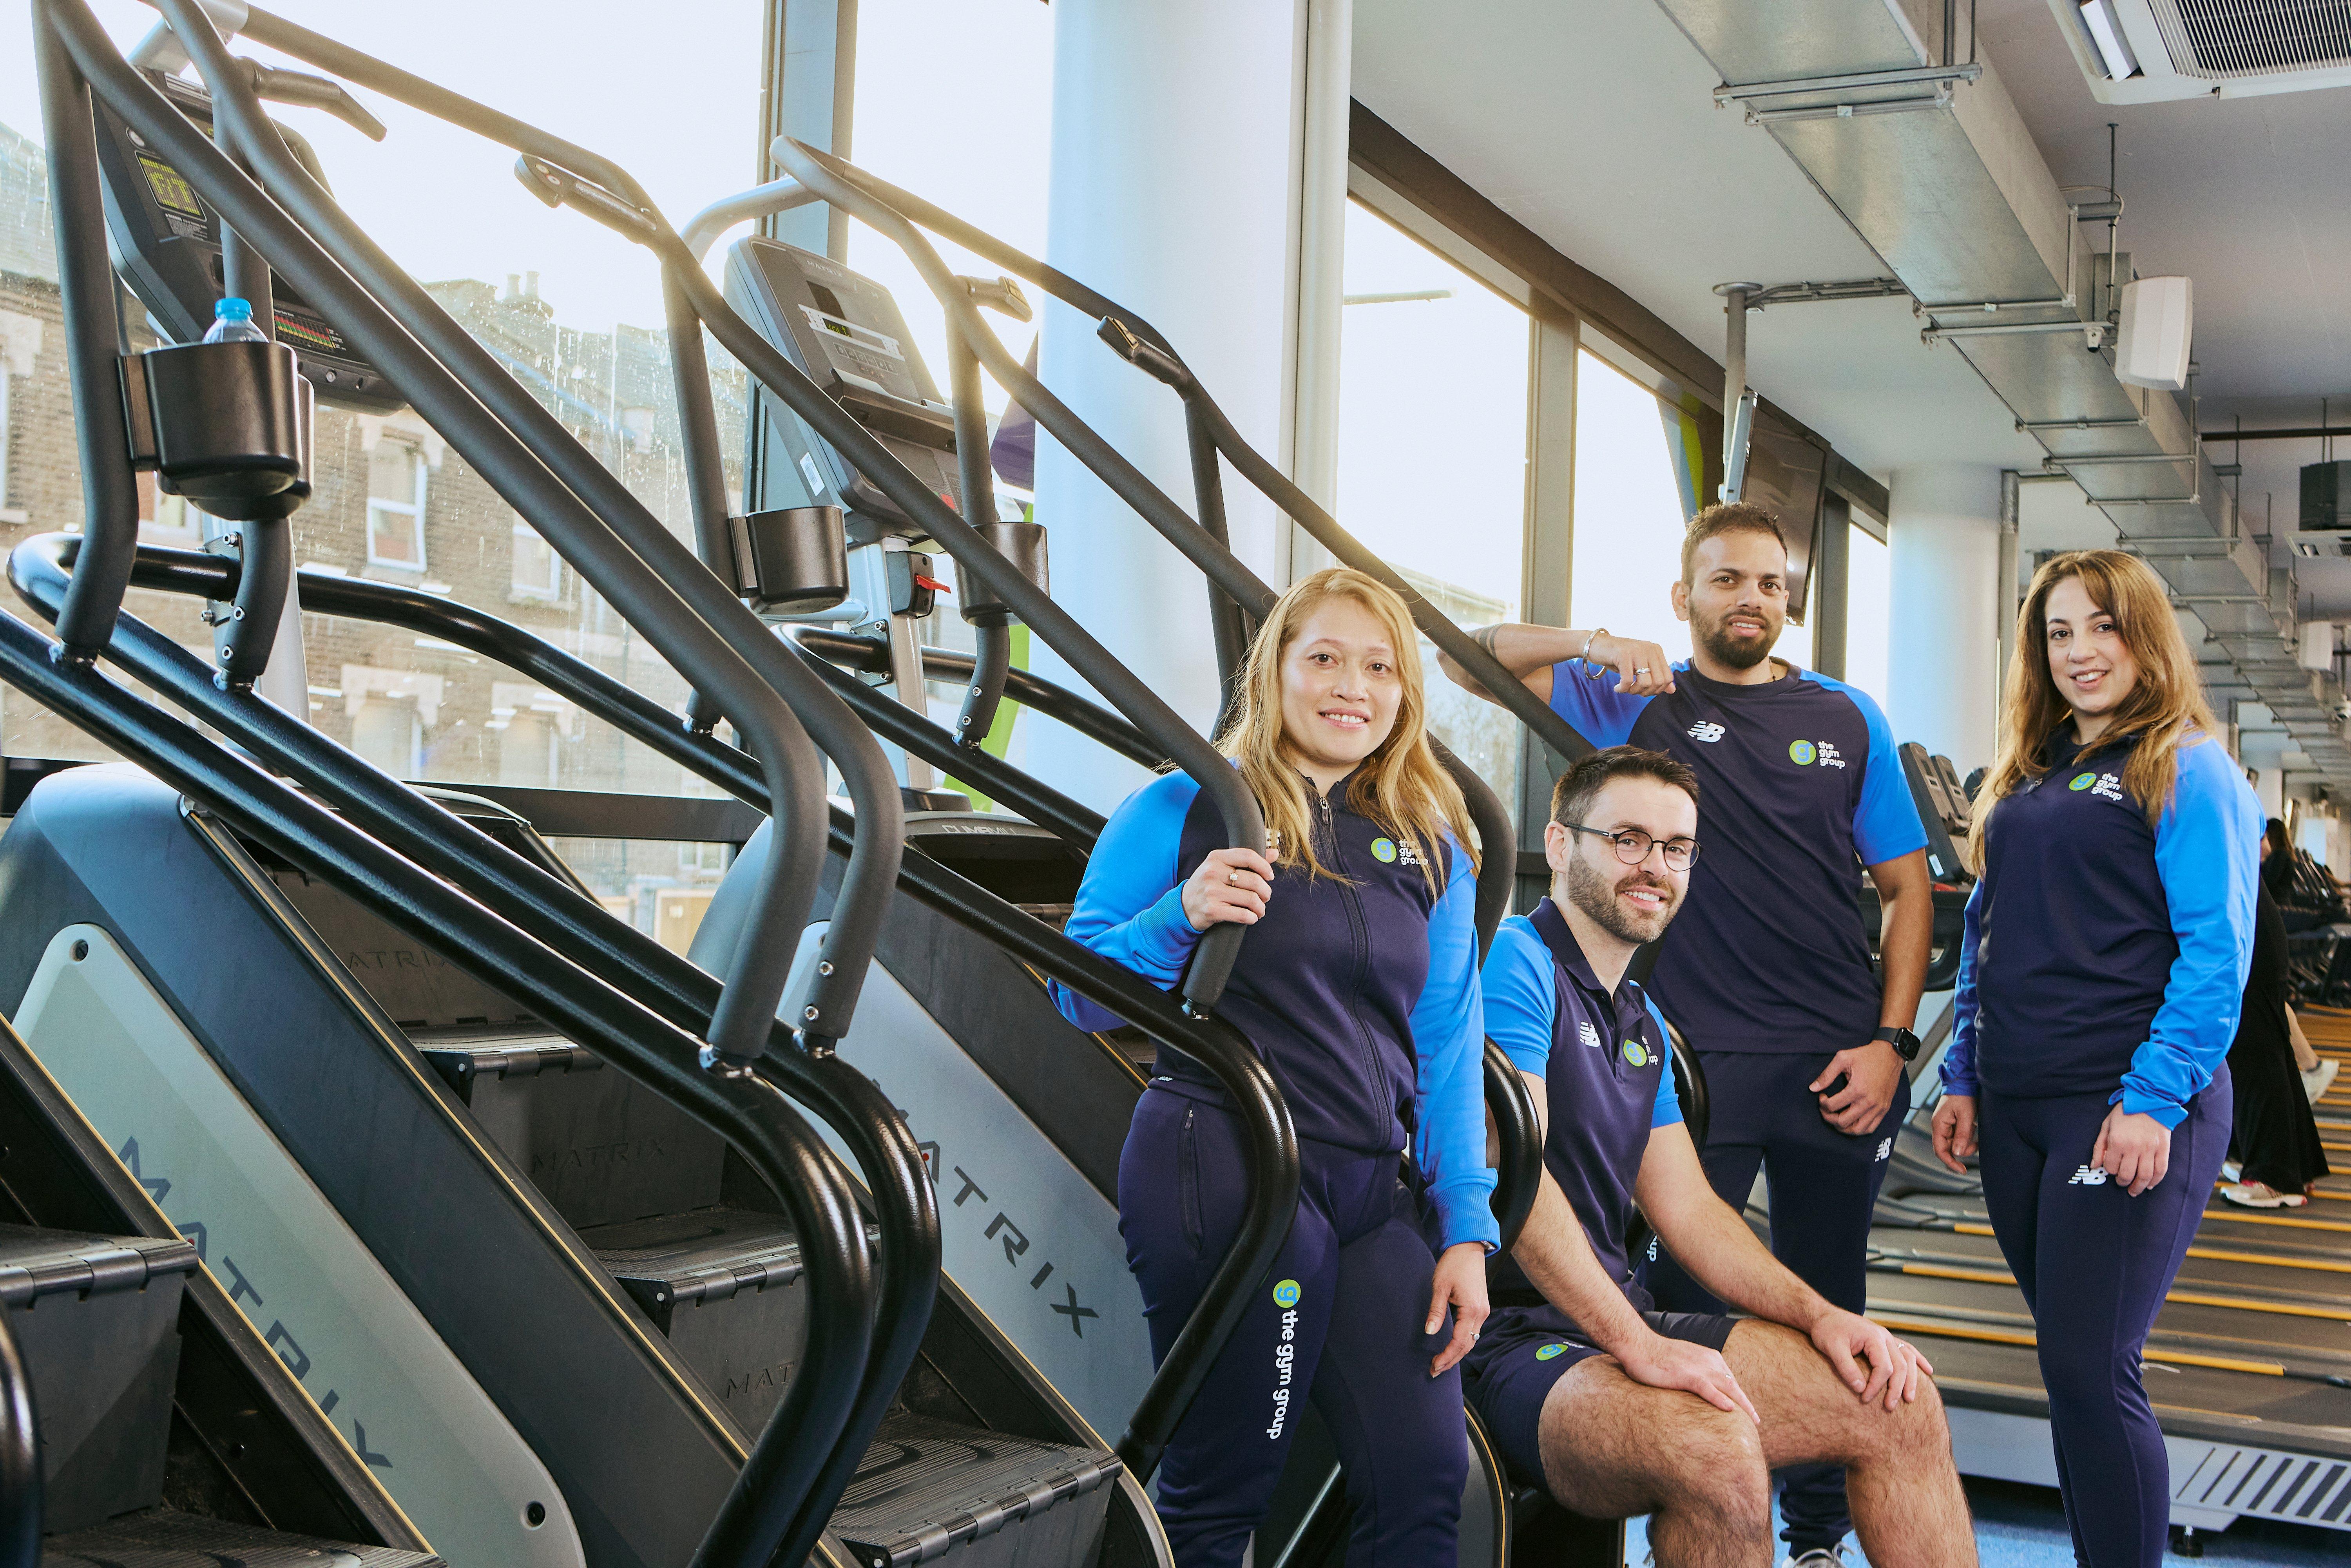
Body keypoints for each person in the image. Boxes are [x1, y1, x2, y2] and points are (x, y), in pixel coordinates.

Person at [1441, 500, 1933, 1567]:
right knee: (1688, 1311)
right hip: (1700, 1052)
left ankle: (1814, 1537)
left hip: (1830, 1054)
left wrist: (1893, 1042)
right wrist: (1587, 638)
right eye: (1726, 579)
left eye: (1769, 582)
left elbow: (1908, 887)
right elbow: (1465, 660)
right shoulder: (1634, 701)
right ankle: (1669, 1491)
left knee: (1839, 1314)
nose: (1750, 598)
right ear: (1684, 596)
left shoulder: (1846, 714)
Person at [1053, 567, 1493, 1568]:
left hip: (1370, 1190)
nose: (1352, 687)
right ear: (1275, 670)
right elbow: (1077, 994)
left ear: (1405, 691)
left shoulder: (1435, 845)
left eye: (1379, 667)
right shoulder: (1186, 806)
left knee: (1426, 1478)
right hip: (1231, 1168)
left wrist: (1466, 1224)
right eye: (1325, 657)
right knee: (1223, 1493)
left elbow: (1447, 1046)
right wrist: (1181, 915)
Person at [1465, 745, 1975, 1568]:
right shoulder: (1516, 961)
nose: (1654, 867)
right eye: (1627, 839)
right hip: (1503, 1336)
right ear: (1559, 844)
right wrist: (1636, 1342)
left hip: (1614, 1320)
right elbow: (1518, 1185)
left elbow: (1693, 1211)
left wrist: (1821, 1315)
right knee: (1717, 1451)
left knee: (1899, 1402)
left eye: (1676, 848)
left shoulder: (1640, 1018)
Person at [1932, 549, 2260, 1568]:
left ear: (2144, 635)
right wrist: (1963, 1075)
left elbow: (2218, 954)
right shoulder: (2029, 775)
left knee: (2090, 1365)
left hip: (2119, 1101)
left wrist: (2154, 1099)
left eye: (2103, 626)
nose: (2080, 651)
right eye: (2059, 632)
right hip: (2019, 1104)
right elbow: (1987, 933)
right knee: (2071, 1368)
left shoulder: (2186, 765)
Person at [2219, 876, 2331, 1208]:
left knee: (2253, 1052)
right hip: (2247, 922)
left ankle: (2273, 1176)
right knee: (2265, 1047)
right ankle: (2293, 1165)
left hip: (2241, 929)